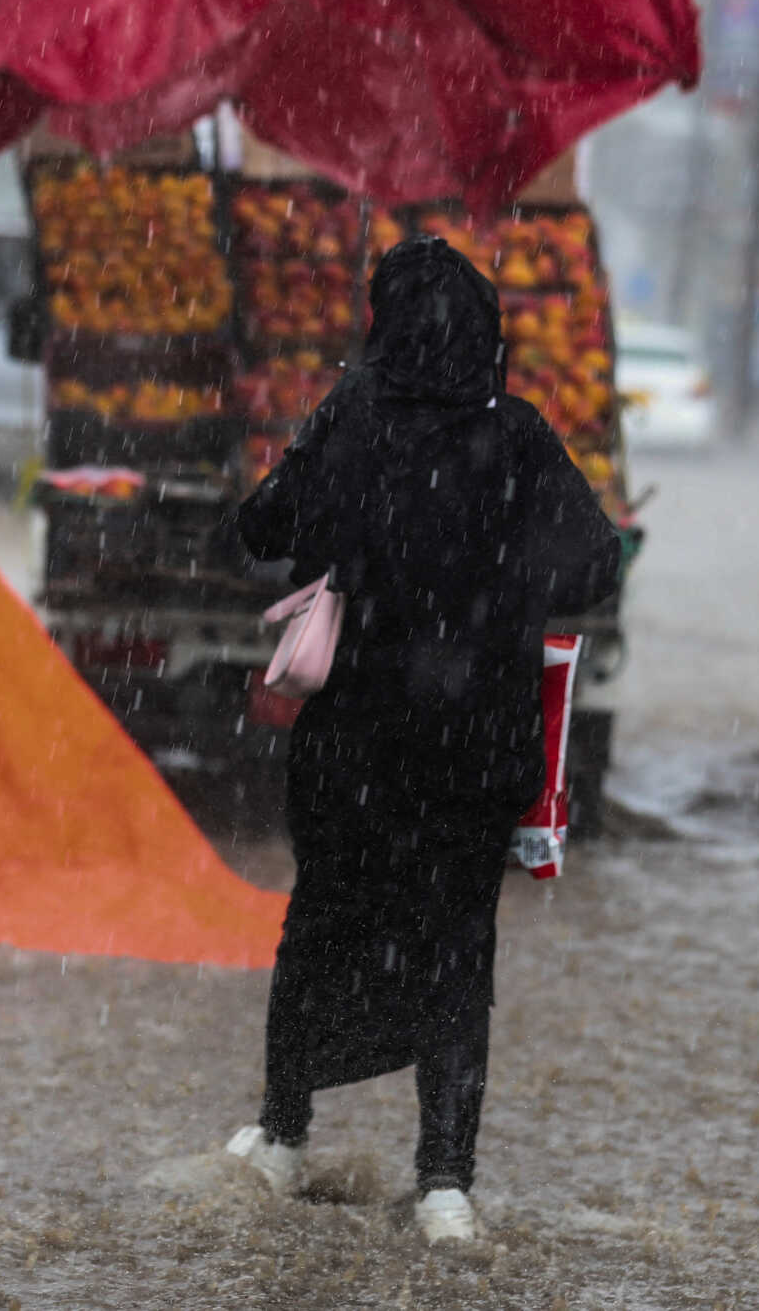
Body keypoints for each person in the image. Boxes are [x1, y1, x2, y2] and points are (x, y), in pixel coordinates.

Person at [222, 235, 622, 1245]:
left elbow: (259, 529)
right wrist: (498, 573)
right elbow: (594, 565)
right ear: (487, 339)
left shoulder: (352, 422)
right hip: (476, 750)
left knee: (320, 928)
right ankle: (444, 1184)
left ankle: (282, 1141)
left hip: (354, 747)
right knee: (457, 951)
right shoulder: (520, 438)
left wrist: (348, 505)